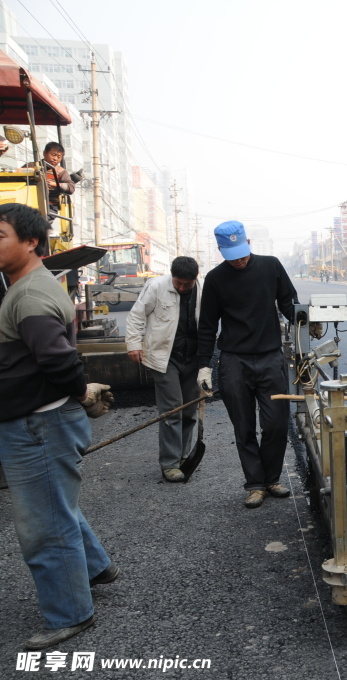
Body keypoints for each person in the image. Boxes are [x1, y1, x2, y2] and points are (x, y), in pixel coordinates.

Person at [0, 203, 117, 650]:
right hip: (38, 420)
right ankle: (94, 567)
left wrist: (81, 393)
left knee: (44, 523)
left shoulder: (28, 295)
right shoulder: (28, 285)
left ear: (31, 242)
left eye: (1, 235)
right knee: (53, 503)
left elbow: (57, 359)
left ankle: (71, 613)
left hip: (38, 424)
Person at [196, 221, 297, 509]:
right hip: (234, 362)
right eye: (232, 255)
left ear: (249, 242)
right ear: (220, 251)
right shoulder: (215, 279)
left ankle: (272, 478)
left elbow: (289, 302)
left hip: (270, 358)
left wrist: (305, 321)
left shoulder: (271, 266)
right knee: (243, 426)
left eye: (242, 252)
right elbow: (207, 326)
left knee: (276, 423)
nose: (239, 260)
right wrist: (204, 366)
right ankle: (255, 484)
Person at [125, 256, 202, 483]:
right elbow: (137, 315)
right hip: (164, 357)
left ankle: (183, 455)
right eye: (178, 283)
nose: (181, 288)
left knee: (189, 410)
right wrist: (134, 344)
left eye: (186, 284)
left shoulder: (203, 289)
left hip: (193, 358)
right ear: (172, 276)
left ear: (194, 279)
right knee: (172, 409)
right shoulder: (156, 286)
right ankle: (169, 463)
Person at [24, 142, 76, 211]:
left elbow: (71, 188)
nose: (55, 159)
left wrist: (54, 184)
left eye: (59, 157)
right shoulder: (31, 166)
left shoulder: (61, 172)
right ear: (44, 153)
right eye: (53, 155)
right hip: (29, 202)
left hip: (51, 205)